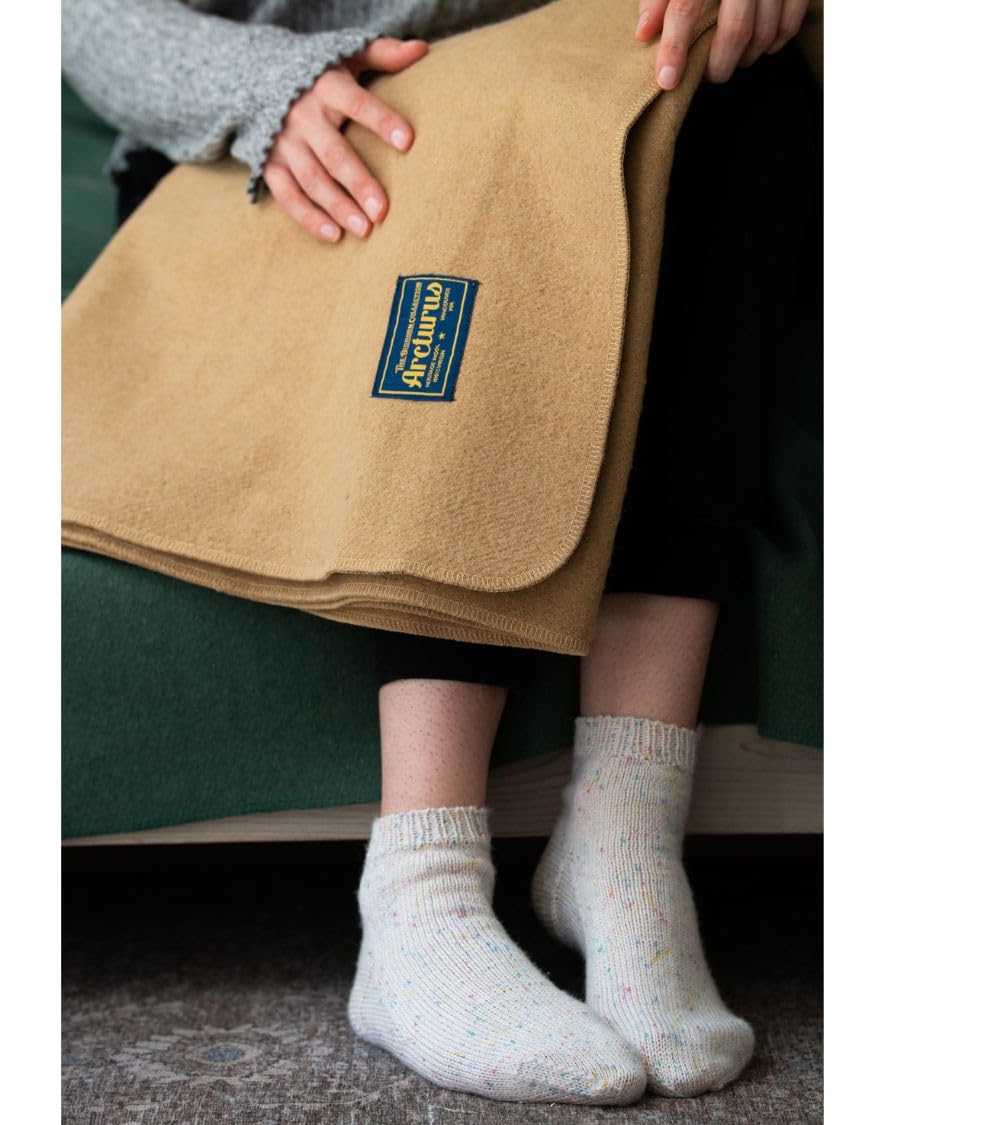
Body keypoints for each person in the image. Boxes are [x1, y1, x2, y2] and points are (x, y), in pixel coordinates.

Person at [63, 0, 819, 1104]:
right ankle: (422, 890)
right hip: (304, 134)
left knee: (728, 71)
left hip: (604, 85)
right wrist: (261, 88)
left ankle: (624, 839)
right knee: (493, 136)